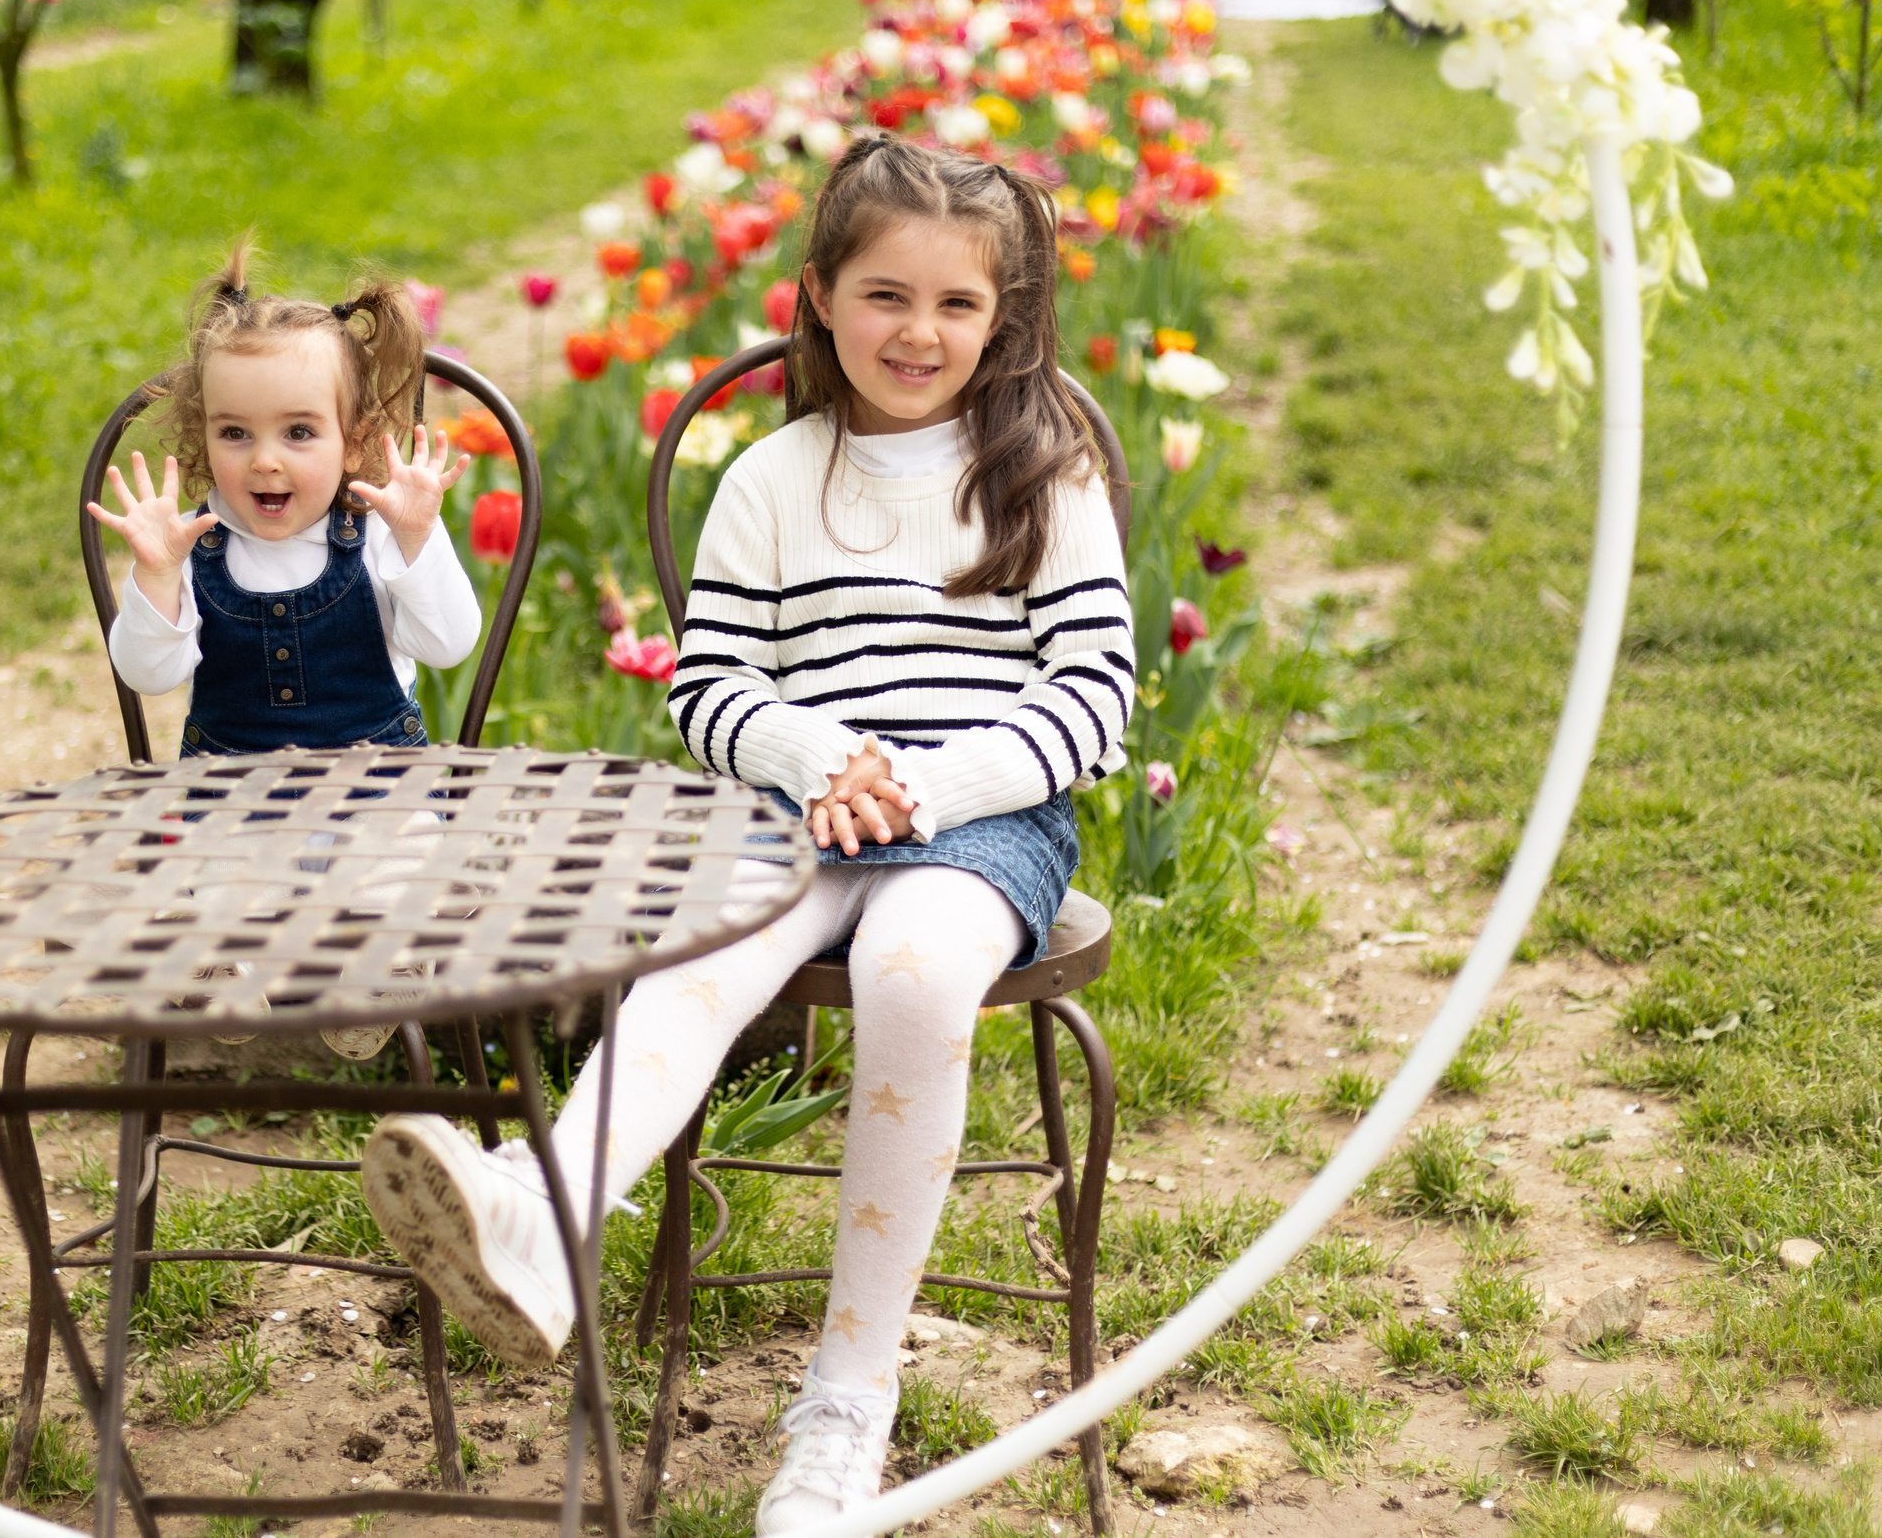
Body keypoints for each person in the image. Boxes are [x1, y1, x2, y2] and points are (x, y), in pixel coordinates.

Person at [358, 135, 1133, 1532]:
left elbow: (1090, 696)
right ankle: (540, 1214)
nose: (919, 331)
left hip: (983, 821)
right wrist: (822, 759)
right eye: (886, 294)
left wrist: (921, 788)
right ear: (820, 295)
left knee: (911, 972)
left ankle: (846, 1398)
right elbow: (712, 685)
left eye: (957, 303)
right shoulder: (772, 479)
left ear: (1002, 315)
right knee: (695, 960)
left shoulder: (1043, 476)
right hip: (795, 807)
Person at [90, 244, 482, 1057]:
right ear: (203, 438)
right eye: (235, 432)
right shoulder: (189, 545)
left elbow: (450, 644)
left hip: (374, 788)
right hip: (239, 796)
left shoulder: (378, 534)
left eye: (299, 431)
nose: (264, 458)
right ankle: (222, 969)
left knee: (400, 850)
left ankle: (374, 970)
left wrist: (420, 539)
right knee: (218, 863)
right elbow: (148, 673)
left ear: (355, 439)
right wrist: (155, 576)